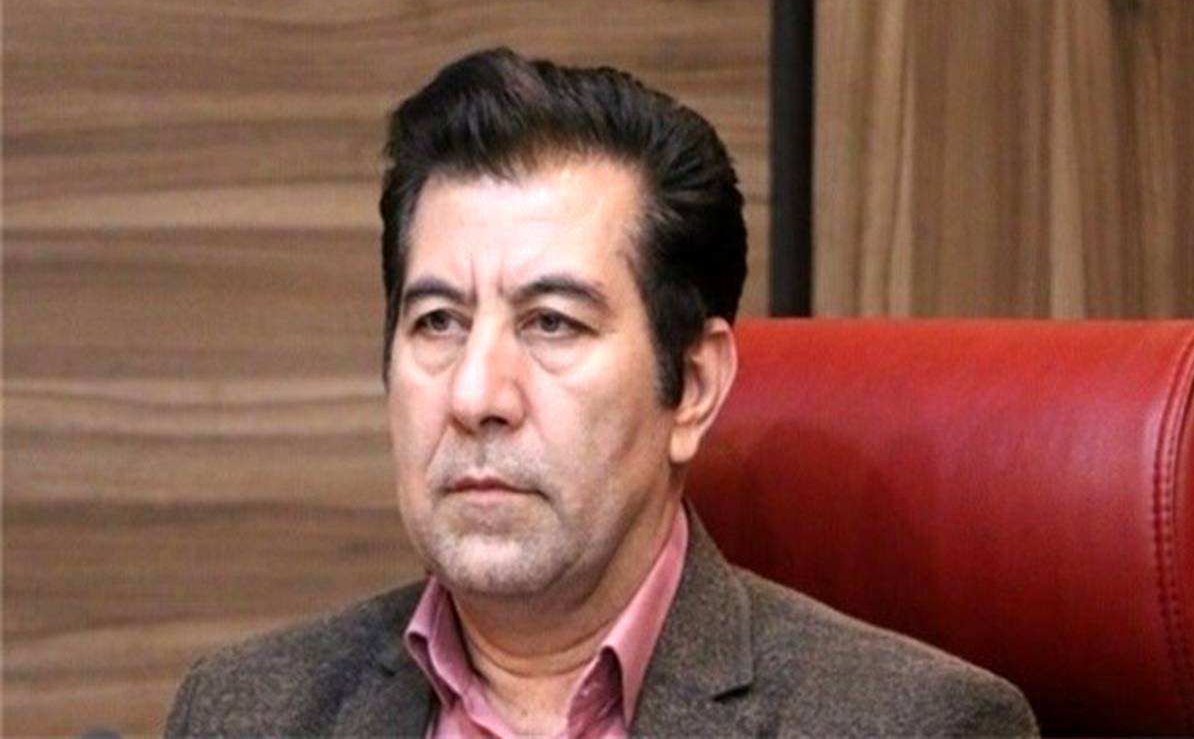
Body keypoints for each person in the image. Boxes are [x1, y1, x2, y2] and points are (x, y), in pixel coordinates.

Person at [165, 48, 1038, 737]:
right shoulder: (246, 712)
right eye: (437, 321)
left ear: (692, 385)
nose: (476, 393)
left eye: (551, 322)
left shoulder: (914, 724)